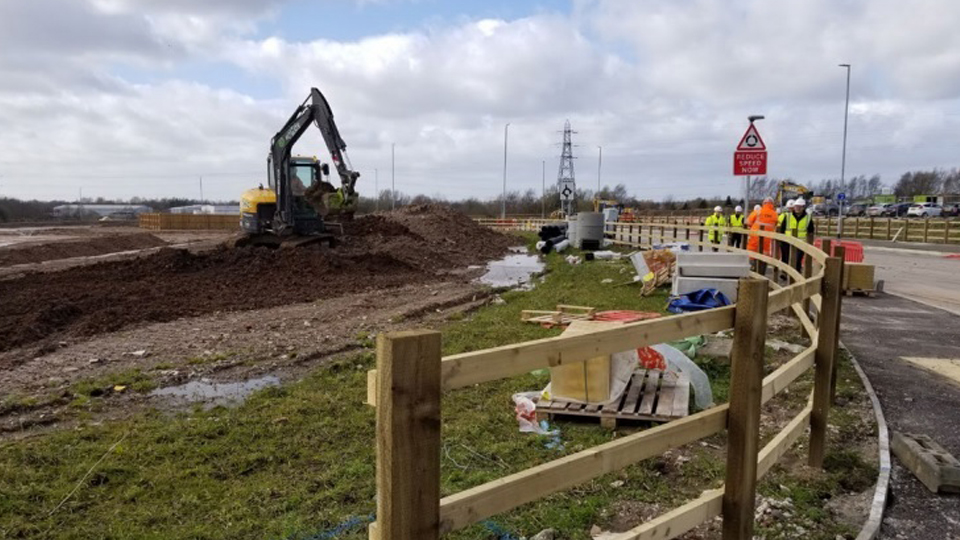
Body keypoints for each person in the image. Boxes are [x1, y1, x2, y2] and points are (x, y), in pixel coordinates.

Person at [747, 198, 779, 275]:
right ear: (772, 204)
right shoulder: (775, 214)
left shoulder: (757, 212)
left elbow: (748, 222)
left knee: (752, 258)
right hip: (767, 242)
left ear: (763, 203)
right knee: (764, 259)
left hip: (754, 240)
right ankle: (761, 275)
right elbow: (776, 225)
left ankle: (752, 274)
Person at [782, 197, 815, 272]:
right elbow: (782, 228)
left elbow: (811, 231)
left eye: (799, 207)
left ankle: (796, 273)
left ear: (803, 207)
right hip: (788, 241)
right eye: (796, 206)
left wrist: (809, 242)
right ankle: (785, 273)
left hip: (801, 242)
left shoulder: (808, 218)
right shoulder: (788, 216)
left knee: (797, 259)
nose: (797, 208)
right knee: (786, 259)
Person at [778, 199, 795, 265]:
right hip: (790, 238)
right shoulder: (786, 216)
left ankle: (785, 270)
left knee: (785, 256)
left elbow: (778, 226)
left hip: (785, 238)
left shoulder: (782, 215)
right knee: (789, 256)